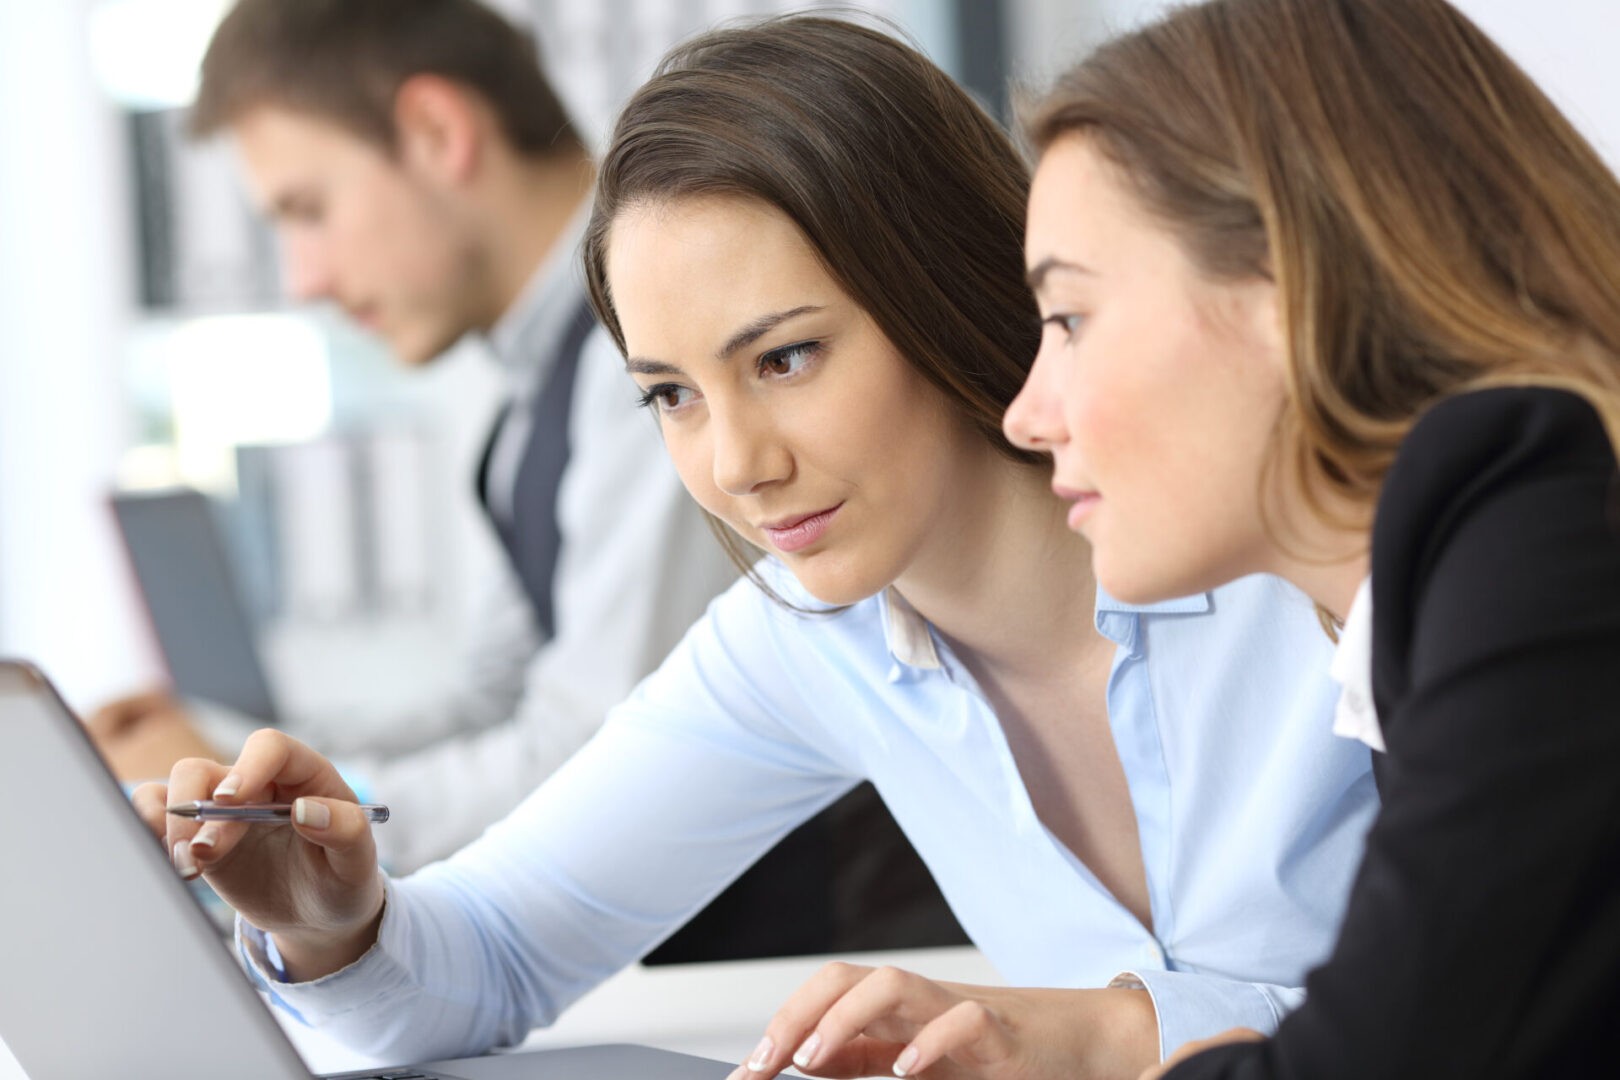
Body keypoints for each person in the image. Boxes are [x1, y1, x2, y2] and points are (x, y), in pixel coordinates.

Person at [133, 16, 1379, 1078]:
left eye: (785, 358)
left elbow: (1523, 996)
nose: (735, 465)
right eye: (670, 394)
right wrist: (335, 927)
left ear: (941, 291)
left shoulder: (1304, 553)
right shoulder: (812, 639)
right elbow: (496, 953)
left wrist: (1098, 1033)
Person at [778, 0, 1620, 1076]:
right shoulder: (1482, 562)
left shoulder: (1537, 524)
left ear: (1293, 286)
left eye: (1071, 319)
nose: (1029, 413)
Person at [93, 0, 962, 966]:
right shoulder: (526, 400)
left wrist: (294, 822)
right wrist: (222, 753)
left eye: (309, 210)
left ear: (436, 132)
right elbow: (494, 702)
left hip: (808, 957)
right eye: (668, 394)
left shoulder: (636, 365)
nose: (301, 277)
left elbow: (584, 751)